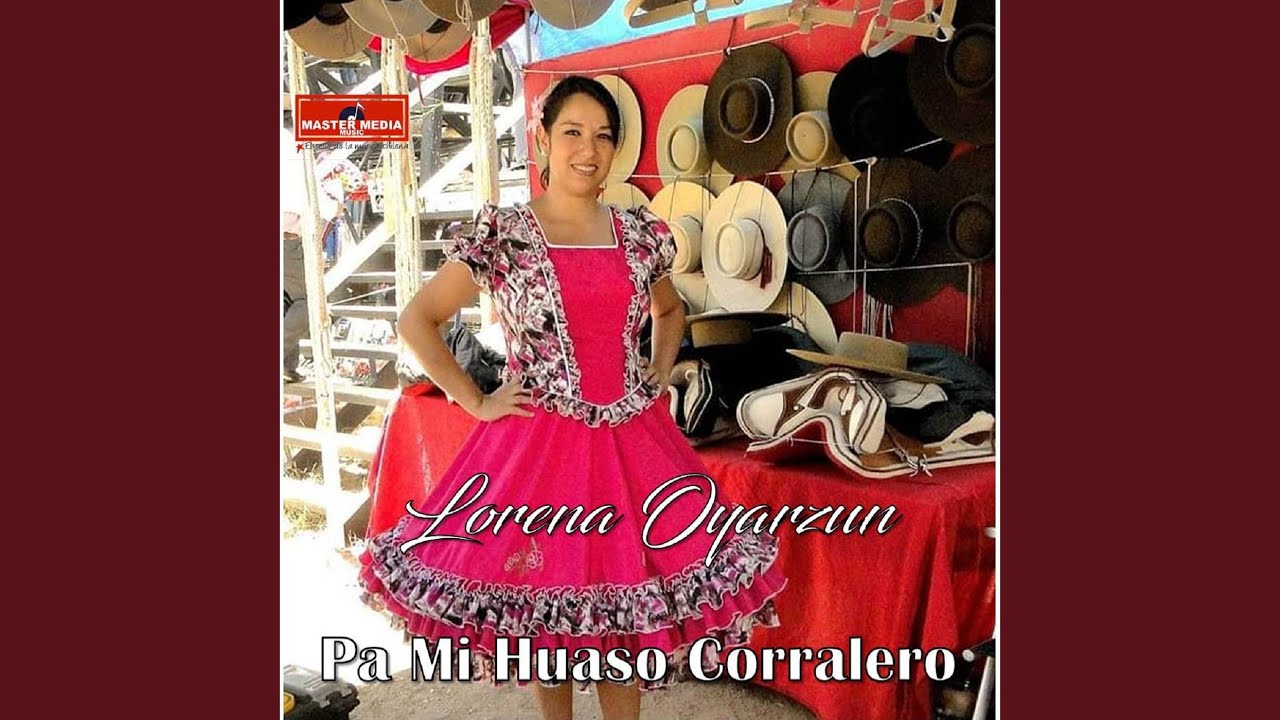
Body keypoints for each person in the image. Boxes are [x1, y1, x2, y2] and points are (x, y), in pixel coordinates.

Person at [357, 76, 786, 720]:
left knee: (624, 611)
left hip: (632, 445)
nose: (589, 150)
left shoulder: (638, 235)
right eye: (573, 133)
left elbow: (670, 310)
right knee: (544, 608)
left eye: (604, 137)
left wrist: (656, 373)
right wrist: (475, 401)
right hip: (536, 449)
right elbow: (418, 319)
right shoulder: (507, 234)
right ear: (542, 140)